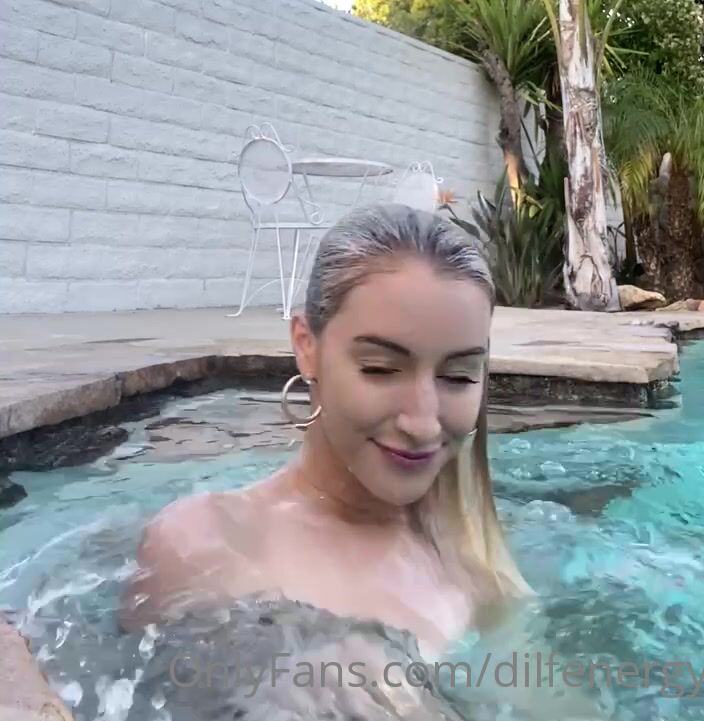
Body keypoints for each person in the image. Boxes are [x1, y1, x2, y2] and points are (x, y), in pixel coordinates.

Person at [121, 203, 532, 658]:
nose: (422, 423)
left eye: (458, 377)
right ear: (306, 347)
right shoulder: (209, 543)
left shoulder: (479, 565)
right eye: (379, 368)